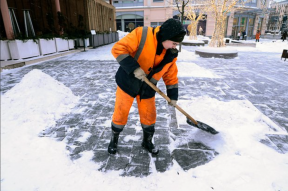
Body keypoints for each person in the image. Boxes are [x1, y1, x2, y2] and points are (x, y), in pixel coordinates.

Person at [108, 19, 186, 155]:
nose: (175, 47)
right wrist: (134, 68)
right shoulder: (142, 34)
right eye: (174, 43)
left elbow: (171, 76)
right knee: (121, 112)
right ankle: (114, 139)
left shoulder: (170, 54)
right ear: (167, 37)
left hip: (148, 88)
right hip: (128, 82)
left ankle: (147, 141)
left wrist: (173, 97)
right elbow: (118, 49)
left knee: (149, 115)